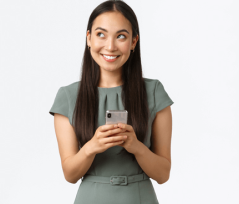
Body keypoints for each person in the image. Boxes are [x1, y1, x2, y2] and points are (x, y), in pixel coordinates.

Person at [49, 0, 174, 203]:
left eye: (121, 36)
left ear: (133, 42)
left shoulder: (154, 92)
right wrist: (93, 146)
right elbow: (70, 175)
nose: (110, 46)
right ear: (88, 38)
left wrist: (136, 146)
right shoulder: (68, 96)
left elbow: (163, 174)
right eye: (101, 34)